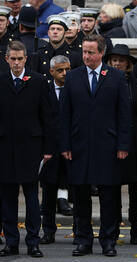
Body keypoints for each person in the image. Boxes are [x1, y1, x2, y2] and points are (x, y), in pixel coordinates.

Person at [60, 34, 131, 257]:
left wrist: (123, 144)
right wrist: (65, 144)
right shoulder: (72, 77)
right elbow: (64, 115)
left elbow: (124, 115)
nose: (86, 56)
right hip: (79, 146)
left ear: (101, 53)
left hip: (108, 147)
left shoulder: (116, 77)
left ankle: (108, 240)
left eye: (91, 52)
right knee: (80, 197)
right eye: (84, 51)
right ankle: (83, 240)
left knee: (109, 197)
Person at [0, 41, 54, 258]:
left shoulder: (38, 81)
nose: (16, 62)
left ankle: (33, 242)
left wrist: (48, 148)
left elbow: (48, 117)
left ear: (26, 59)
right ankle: (11, 242)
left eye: (19, 59)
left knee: (32, 198)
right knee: (7, 198)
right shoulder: (1, 80)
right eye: (12, 59)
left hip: (31, 147)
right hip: (4, 146)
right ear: (6, 59)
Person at [106, 44, 137, 245]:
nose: (118, 63)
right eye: (114, 60)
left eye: (121, 60)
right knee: (112, 186)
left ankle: (135, 227)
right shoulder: (105, 82)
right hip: (112, 140)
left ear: (128, 63)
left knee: (135, 186)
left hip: (134, 141)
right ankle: (114, 226)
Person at [39, 55, 74, 245]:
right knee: (49, 193)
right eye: (60, 70)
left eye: (67, 69)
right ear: (51, 71)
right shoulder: (44, 89)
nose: (64, 73)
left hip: (72, 148)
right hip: (50, 149)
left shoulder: (76, 88)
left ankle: (80, 231)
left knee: (77, 191)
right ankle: (48, 231)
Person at [37, 15, 82, 81]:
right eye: (52, 29)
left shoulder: (75, 56)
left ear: (65, 33)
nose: (55, 32)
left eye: (59, 29)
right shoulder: (39, 54)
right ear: (48, 33)